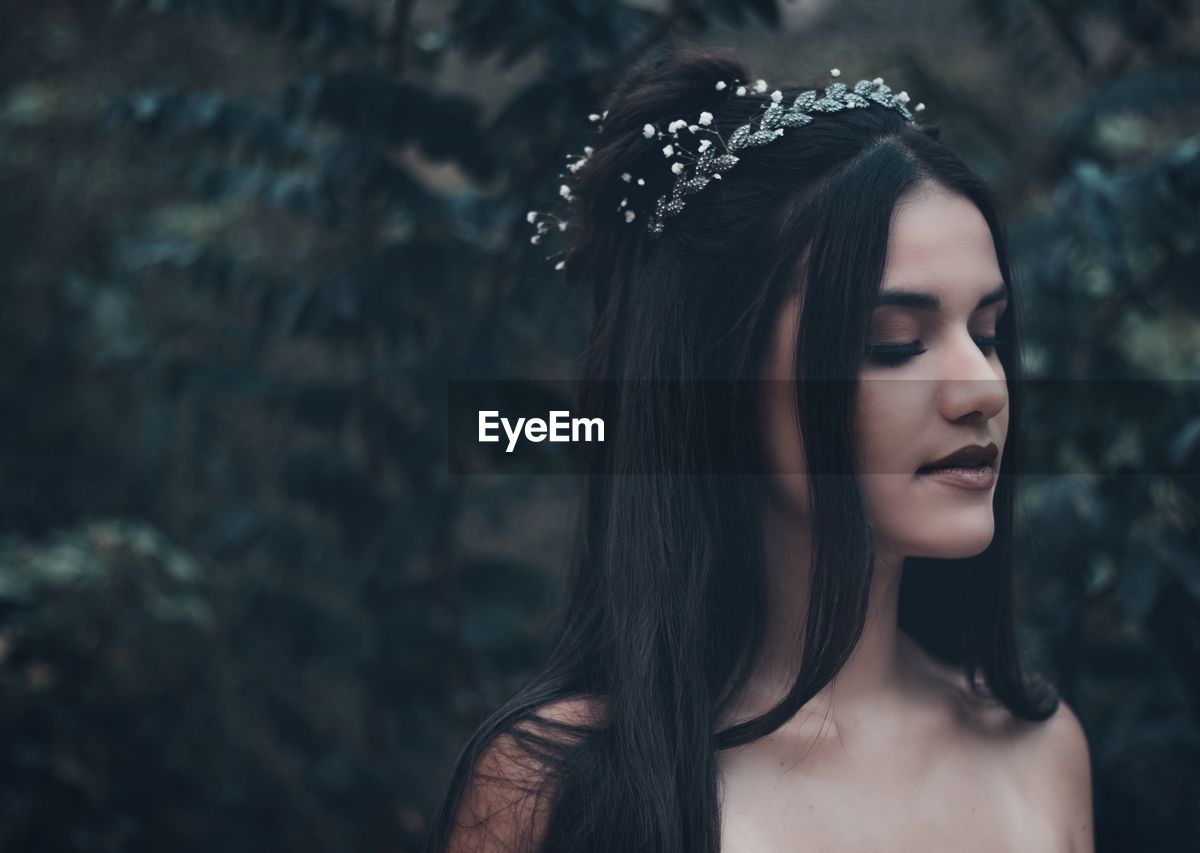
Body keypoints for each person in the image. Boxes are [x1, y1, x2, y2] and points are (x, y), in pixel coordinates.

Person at [427, 46, 1094, 853]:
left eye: (987, 334)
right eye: (892, 344)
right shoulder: (557, 783)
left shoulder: (1038, 748)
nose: (981, 388)